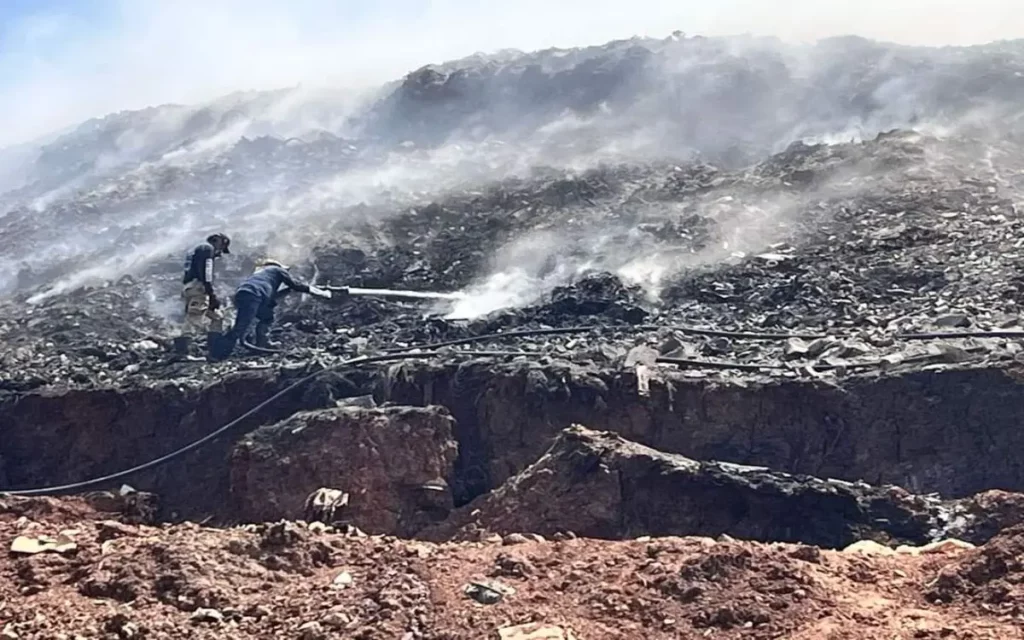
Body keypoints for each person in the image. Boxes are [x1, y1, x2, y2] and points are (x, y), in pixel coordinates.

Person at [209, 258, 332, 360]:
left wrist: (286, 291)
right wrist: (318, 292)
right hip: (253, 295)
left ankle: (262, 343)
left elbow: (270, 296)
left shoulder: (261, 276)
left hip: (250, 295)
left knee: (267, 317)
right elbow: (294, 284)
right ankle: (219, 354)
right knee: (241, 327)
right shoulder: (275, 269)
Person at [176, 233, 231, 353]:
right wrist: (211, 294)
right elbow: (206, 273)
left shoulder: (196, 248)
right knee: (195, 317)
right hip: (199, 287)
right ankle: (183, 353)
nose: (219, 252)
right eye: (221, 247)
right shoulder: (207, 248)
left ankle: (215, 349)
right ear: (217, 241)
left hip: (190, 286)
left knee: (217, 317)